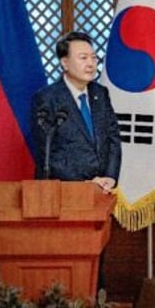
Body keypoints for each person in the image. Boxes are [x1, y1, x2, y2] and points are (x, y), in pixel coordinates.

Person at [30, 31, 121, 192]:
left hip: (102, 190)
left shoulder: (100, 94)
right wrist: (86, 182)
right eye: (83, 58)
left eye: (94, 58)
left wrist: (110, 177)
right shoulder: (46, 98)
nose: (91, 64)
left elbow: (113, 138)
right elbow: (46, 152)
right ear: (65, 62)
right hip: (65, 192)